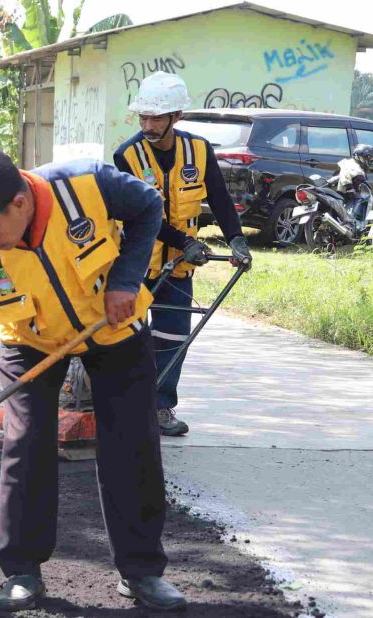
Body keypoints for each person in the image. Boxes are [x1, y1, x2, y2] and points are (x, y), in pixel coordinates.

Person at [0, 149, 188, 612]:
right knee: (26, 442)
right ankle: (21, 570)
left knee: (131, 444)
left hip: (112, 329)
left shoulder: (87, 184)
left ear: (20, 202)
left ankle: (140, 572)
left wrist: (125, 277)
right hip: (31, 341)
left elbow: (149, 207)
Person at [113, 71, 251, 437]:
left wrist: (236, 239)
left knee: (174, 337)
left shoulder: (199, 150)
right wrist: (183, 240)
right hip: (137, 264)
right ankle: (124, 406)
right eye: (143, 117)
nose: (148, 125)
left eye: (156, 117)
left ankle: (160, 407)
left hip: (179, 268)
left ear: (177, 116)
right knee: (130, 336)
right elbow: (139, 216)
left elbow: (219, 198)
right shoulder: (126, 155)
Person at [329, 144, 373, 226]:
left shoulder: (351, 164)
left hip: (341, 193)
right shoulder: (353, 166)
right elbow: (345, 176)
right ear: (361, 157)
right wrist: (350, 189)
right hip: (344, 193)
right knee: (358, 201)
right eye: (369, 158)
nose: (371, 160)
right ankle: (350, 221)